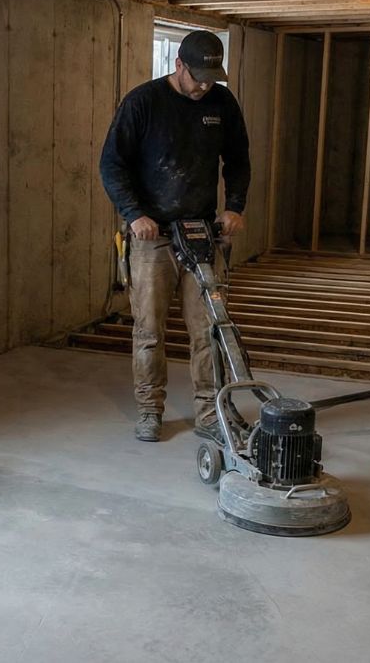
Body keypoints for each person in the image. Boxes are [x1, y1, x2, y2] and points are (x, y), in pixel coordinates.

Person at [99, 30, 251, 442]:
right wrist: (134, 214)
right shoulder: (143, 102)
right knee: (149, 331)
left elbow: (238, 159)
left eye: (211, 79)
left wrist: (235, 206)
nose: (204, 86)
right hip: (154, 238)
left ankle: (210, 413)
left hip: (202, 234)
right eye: (198, 77)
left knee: (209, 330)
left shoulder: (222, 103)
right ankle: (150, 410)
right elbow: (112, 164)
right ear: (179, 64)